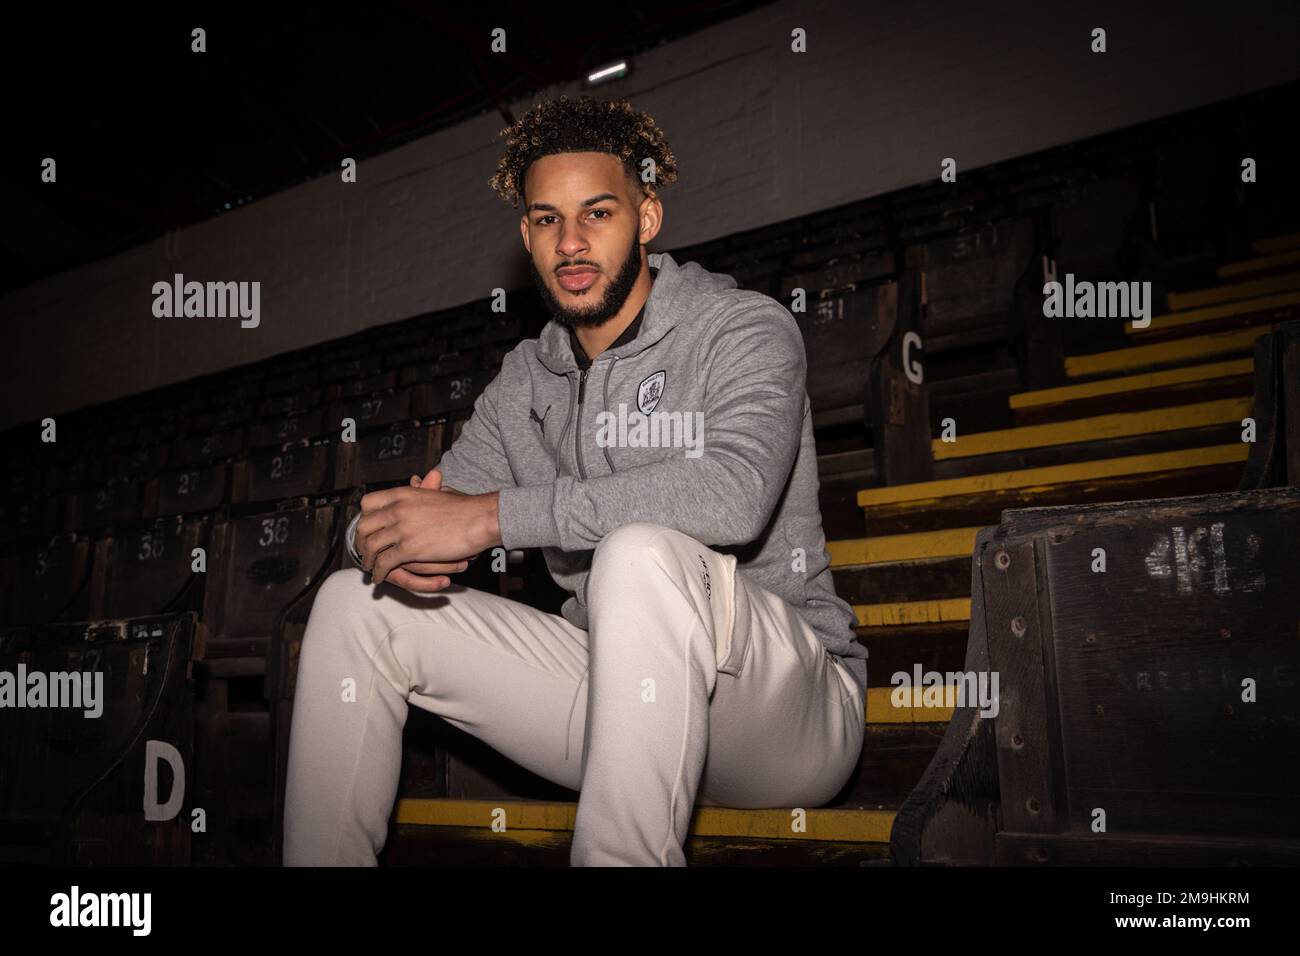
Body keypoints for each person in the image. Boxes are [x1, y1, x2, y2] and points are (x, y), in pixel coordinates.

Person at [282, 94, 868, 866]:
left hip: (781, 718)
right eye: (548, 220)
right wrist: (379, 538)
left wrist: (489, 519)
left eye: (597, 213)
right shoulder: (526, 380)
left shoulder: (743, 327)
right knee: (357, 605)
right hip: (617, 708)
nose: (571, 242)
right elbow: (431, 509)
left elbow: (734, 492)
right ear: (526, 234)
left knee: (638, 554)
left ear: (647, 217)